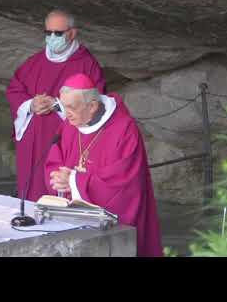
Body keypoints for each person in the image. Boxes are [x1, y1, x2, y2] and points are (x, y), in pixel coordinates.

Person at [44, 73, 163, 257]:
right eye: (63, 106)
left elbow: (125, 183)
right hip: (74, 220)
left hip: (112, 228)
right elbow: (56, 158)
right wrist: (58, 178)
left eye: (71, 108)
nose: (66, 114)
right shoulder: (71, 124)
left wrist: (75, 181)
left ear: (92, 106)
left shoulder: (123, 129)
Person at [6, 9, 106, 202]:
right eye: (48, 33)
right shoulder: (34, 62)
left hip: (64, 139)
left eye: (58, 33)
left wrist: (58, 105)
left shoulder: (87, 64)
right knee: (31, 194)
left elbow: (96, 103)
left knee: (58, 196)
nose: (52, 37)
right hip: (33, 139)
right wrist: (31, 104)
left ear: (72, 33)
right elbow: (14, 89)